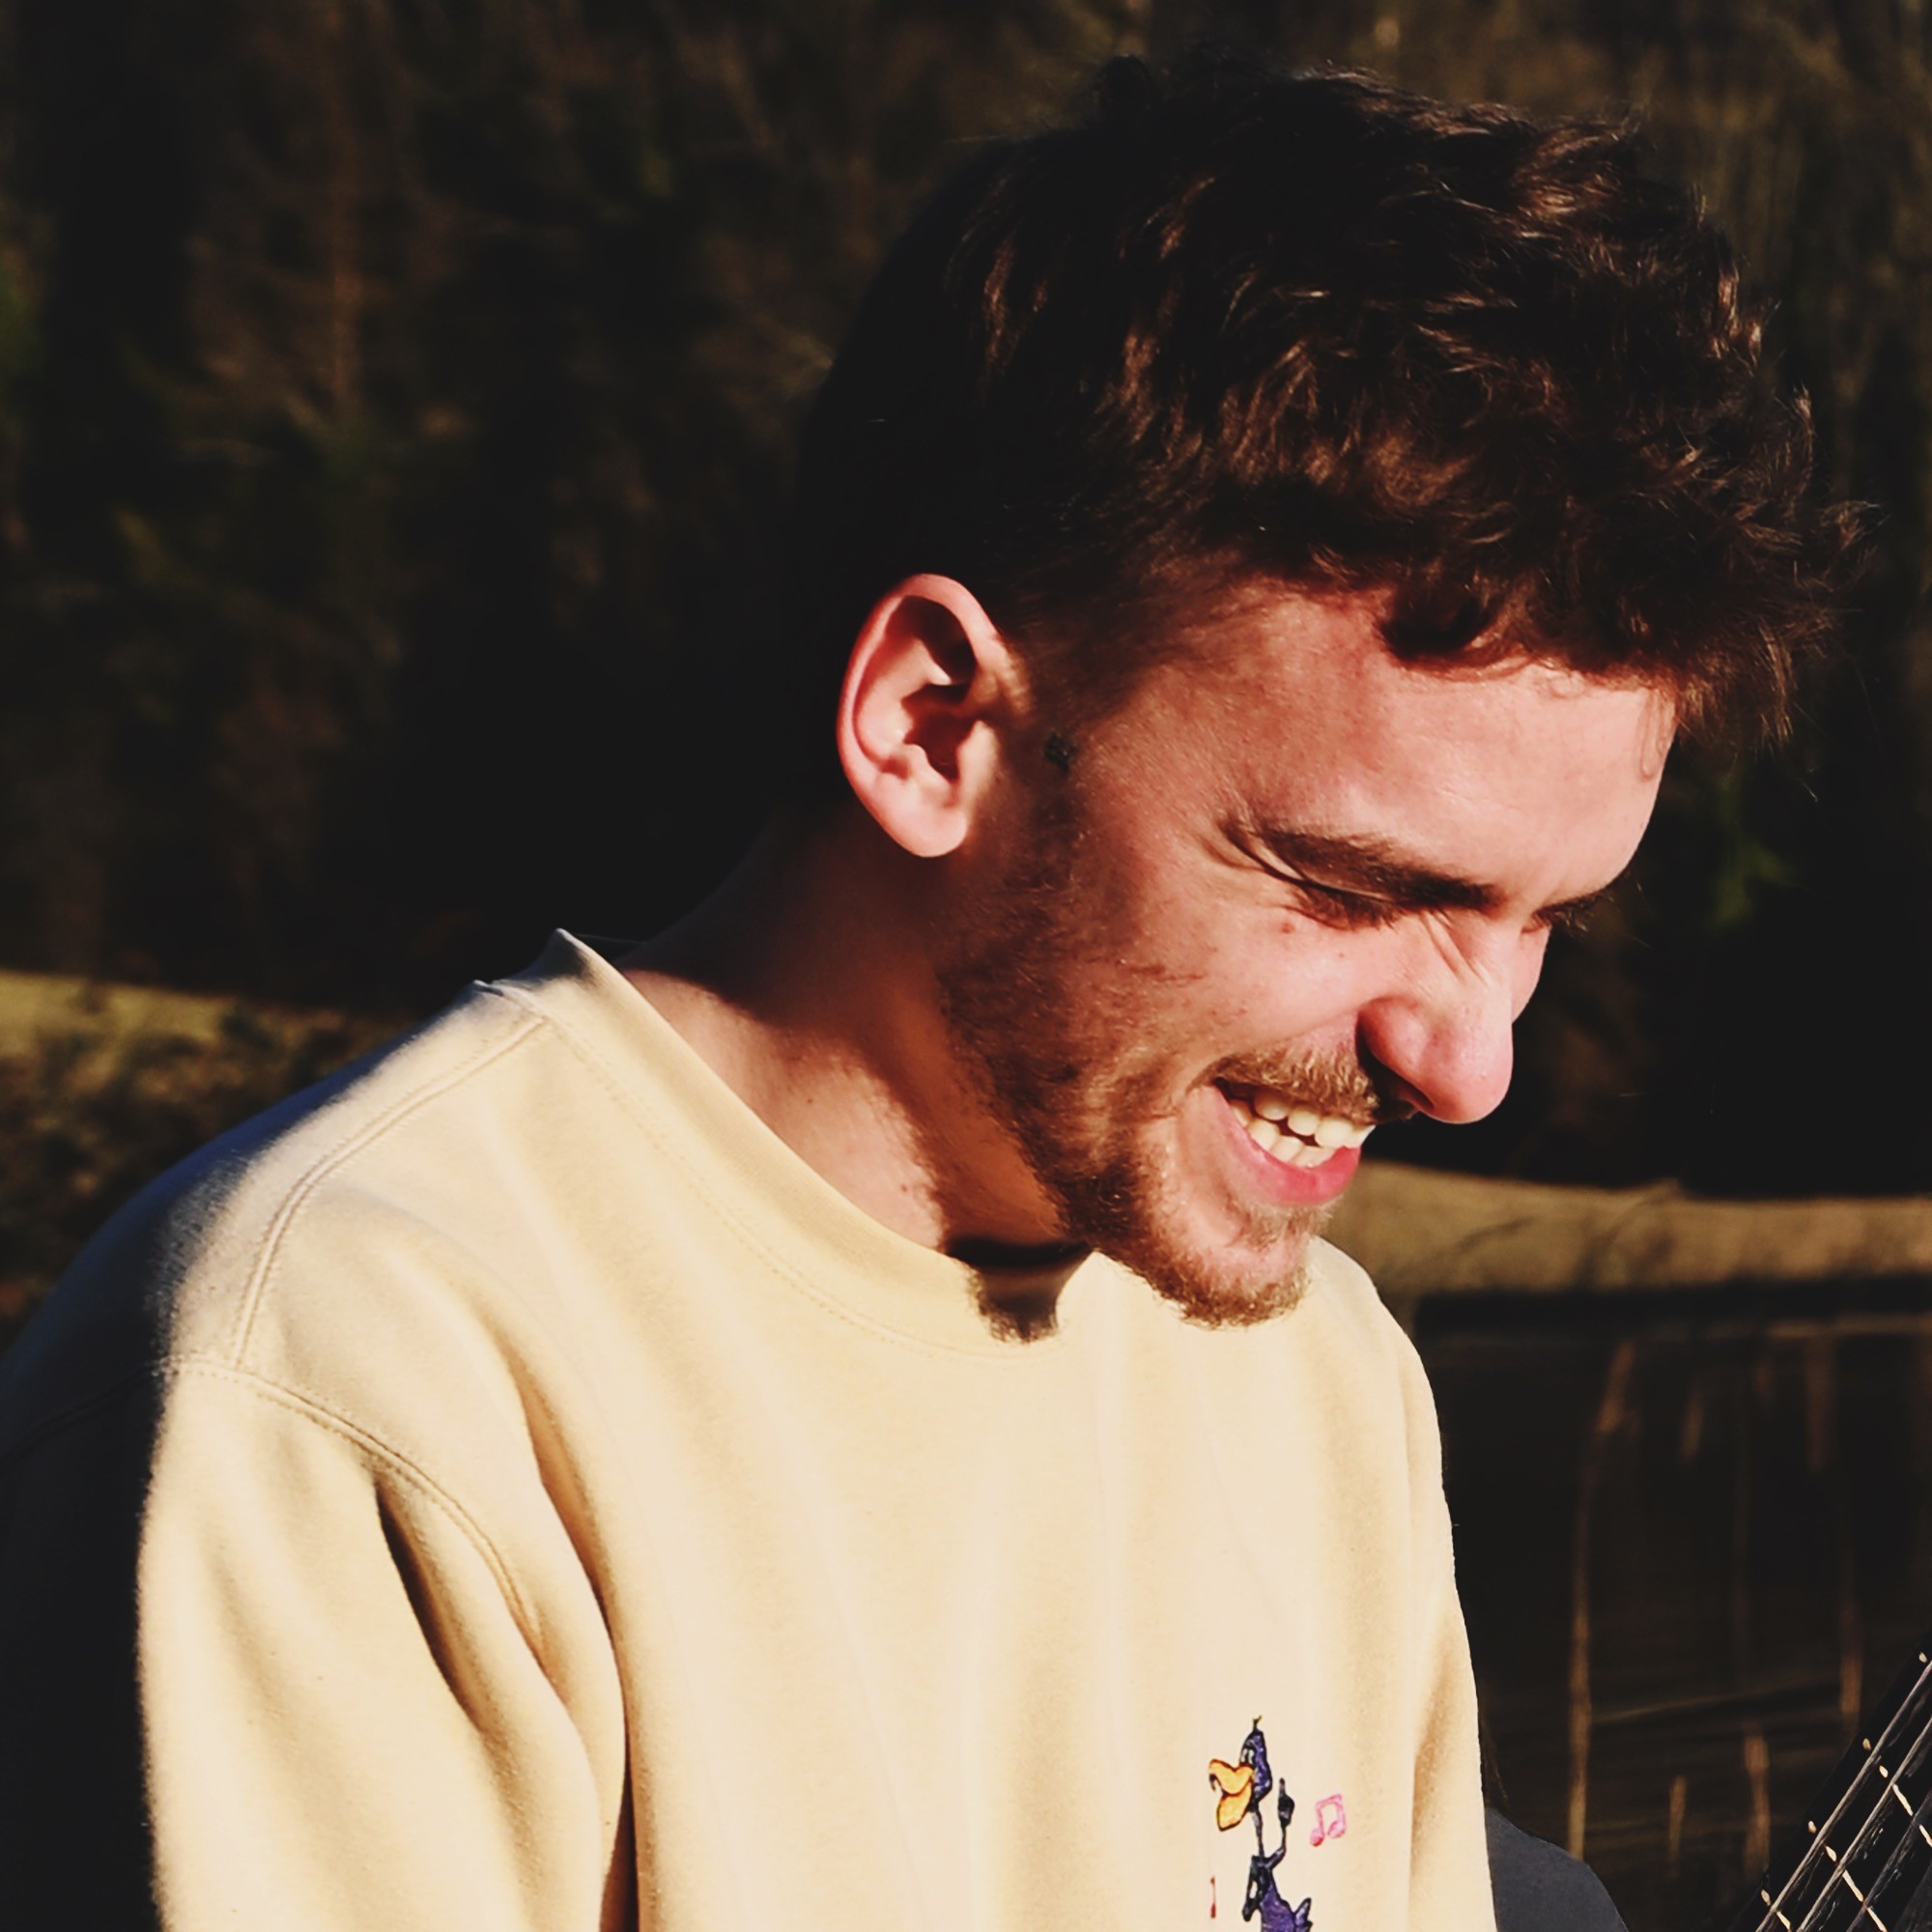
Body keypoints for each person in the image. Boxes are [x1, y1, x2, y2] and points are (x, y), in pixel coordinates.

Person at [0, 48, 1851, 1932]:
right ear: (933, 723)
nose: (1467, 1061)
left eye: (1548, 919)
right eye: (1359, 885)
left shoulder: (1322, 1379)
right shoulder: (358, 1387)